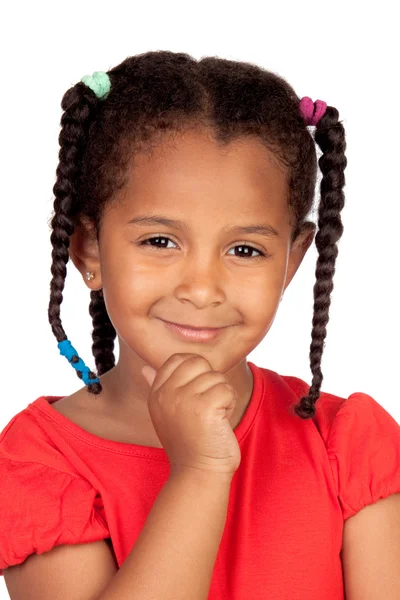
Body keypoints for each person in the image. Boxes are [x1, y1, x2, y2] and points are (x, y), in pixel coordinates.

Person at [1, 50, 399, 600]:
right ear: (89, 249)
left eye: (245, 248)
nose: (202, 288)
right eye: (159, 241)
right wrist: (200, 473)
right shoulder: (40, 465)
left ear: (292, 261)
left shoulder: (346, 448)